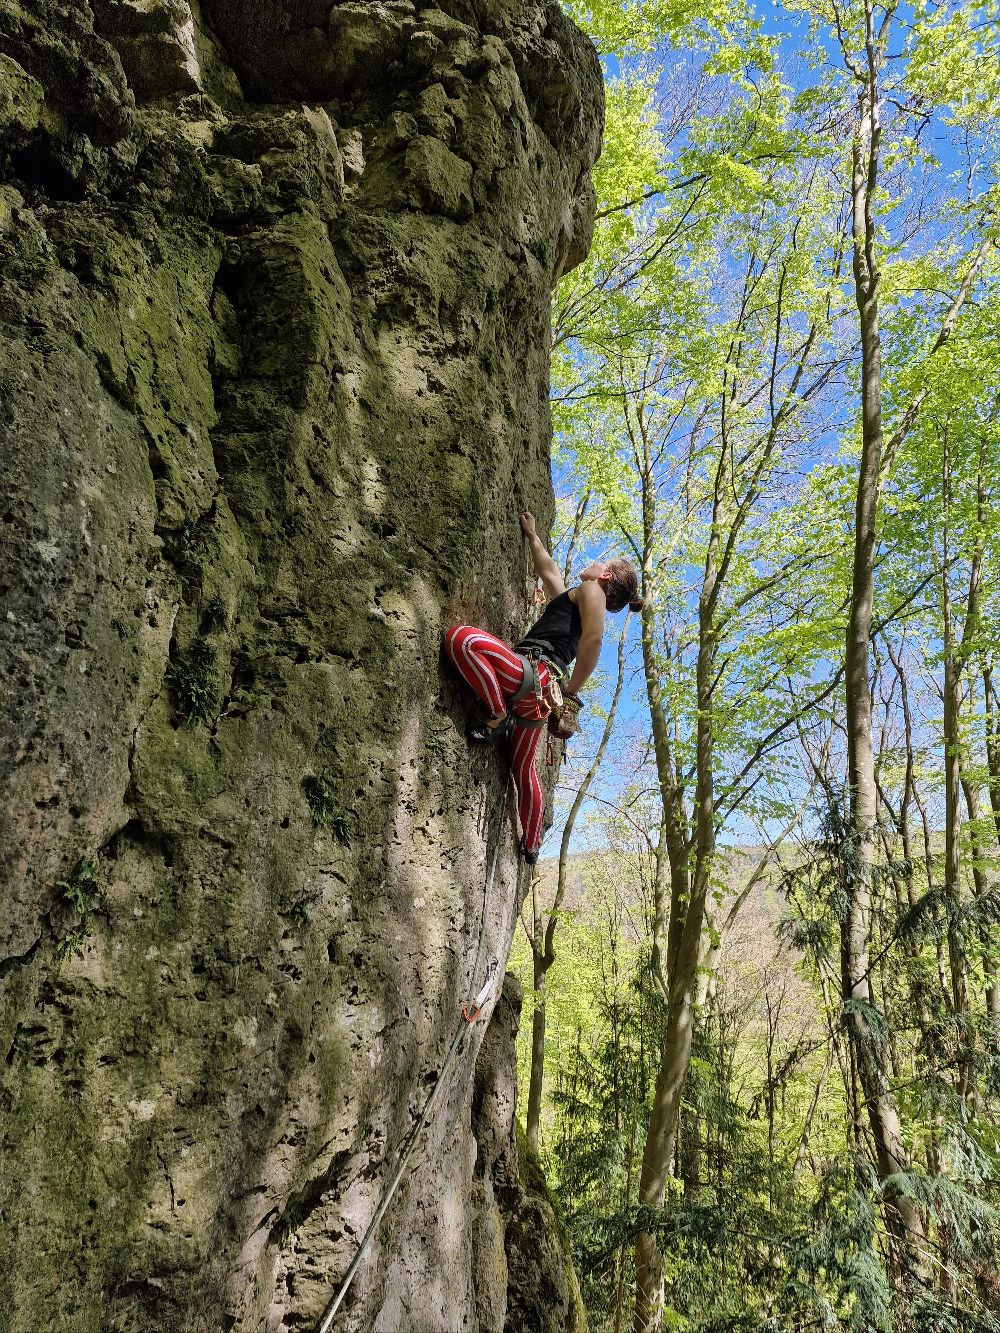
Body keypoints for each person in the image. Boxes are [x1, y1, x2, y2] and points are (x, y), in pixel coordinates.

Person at [444, 510, 643, 864]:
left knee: (463, 640)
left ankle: (496, 714)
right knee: (522, 768)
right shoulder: (575, 598)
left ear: (605, 575)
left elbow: (594, 641)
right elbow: (548, 570)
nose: (592, 564)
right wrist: (533, 535)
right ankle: (532, 844)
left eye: (600, 563)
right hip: (537, 698)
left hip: (532, 674)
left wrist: (570, 693)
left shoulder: (591, 589)